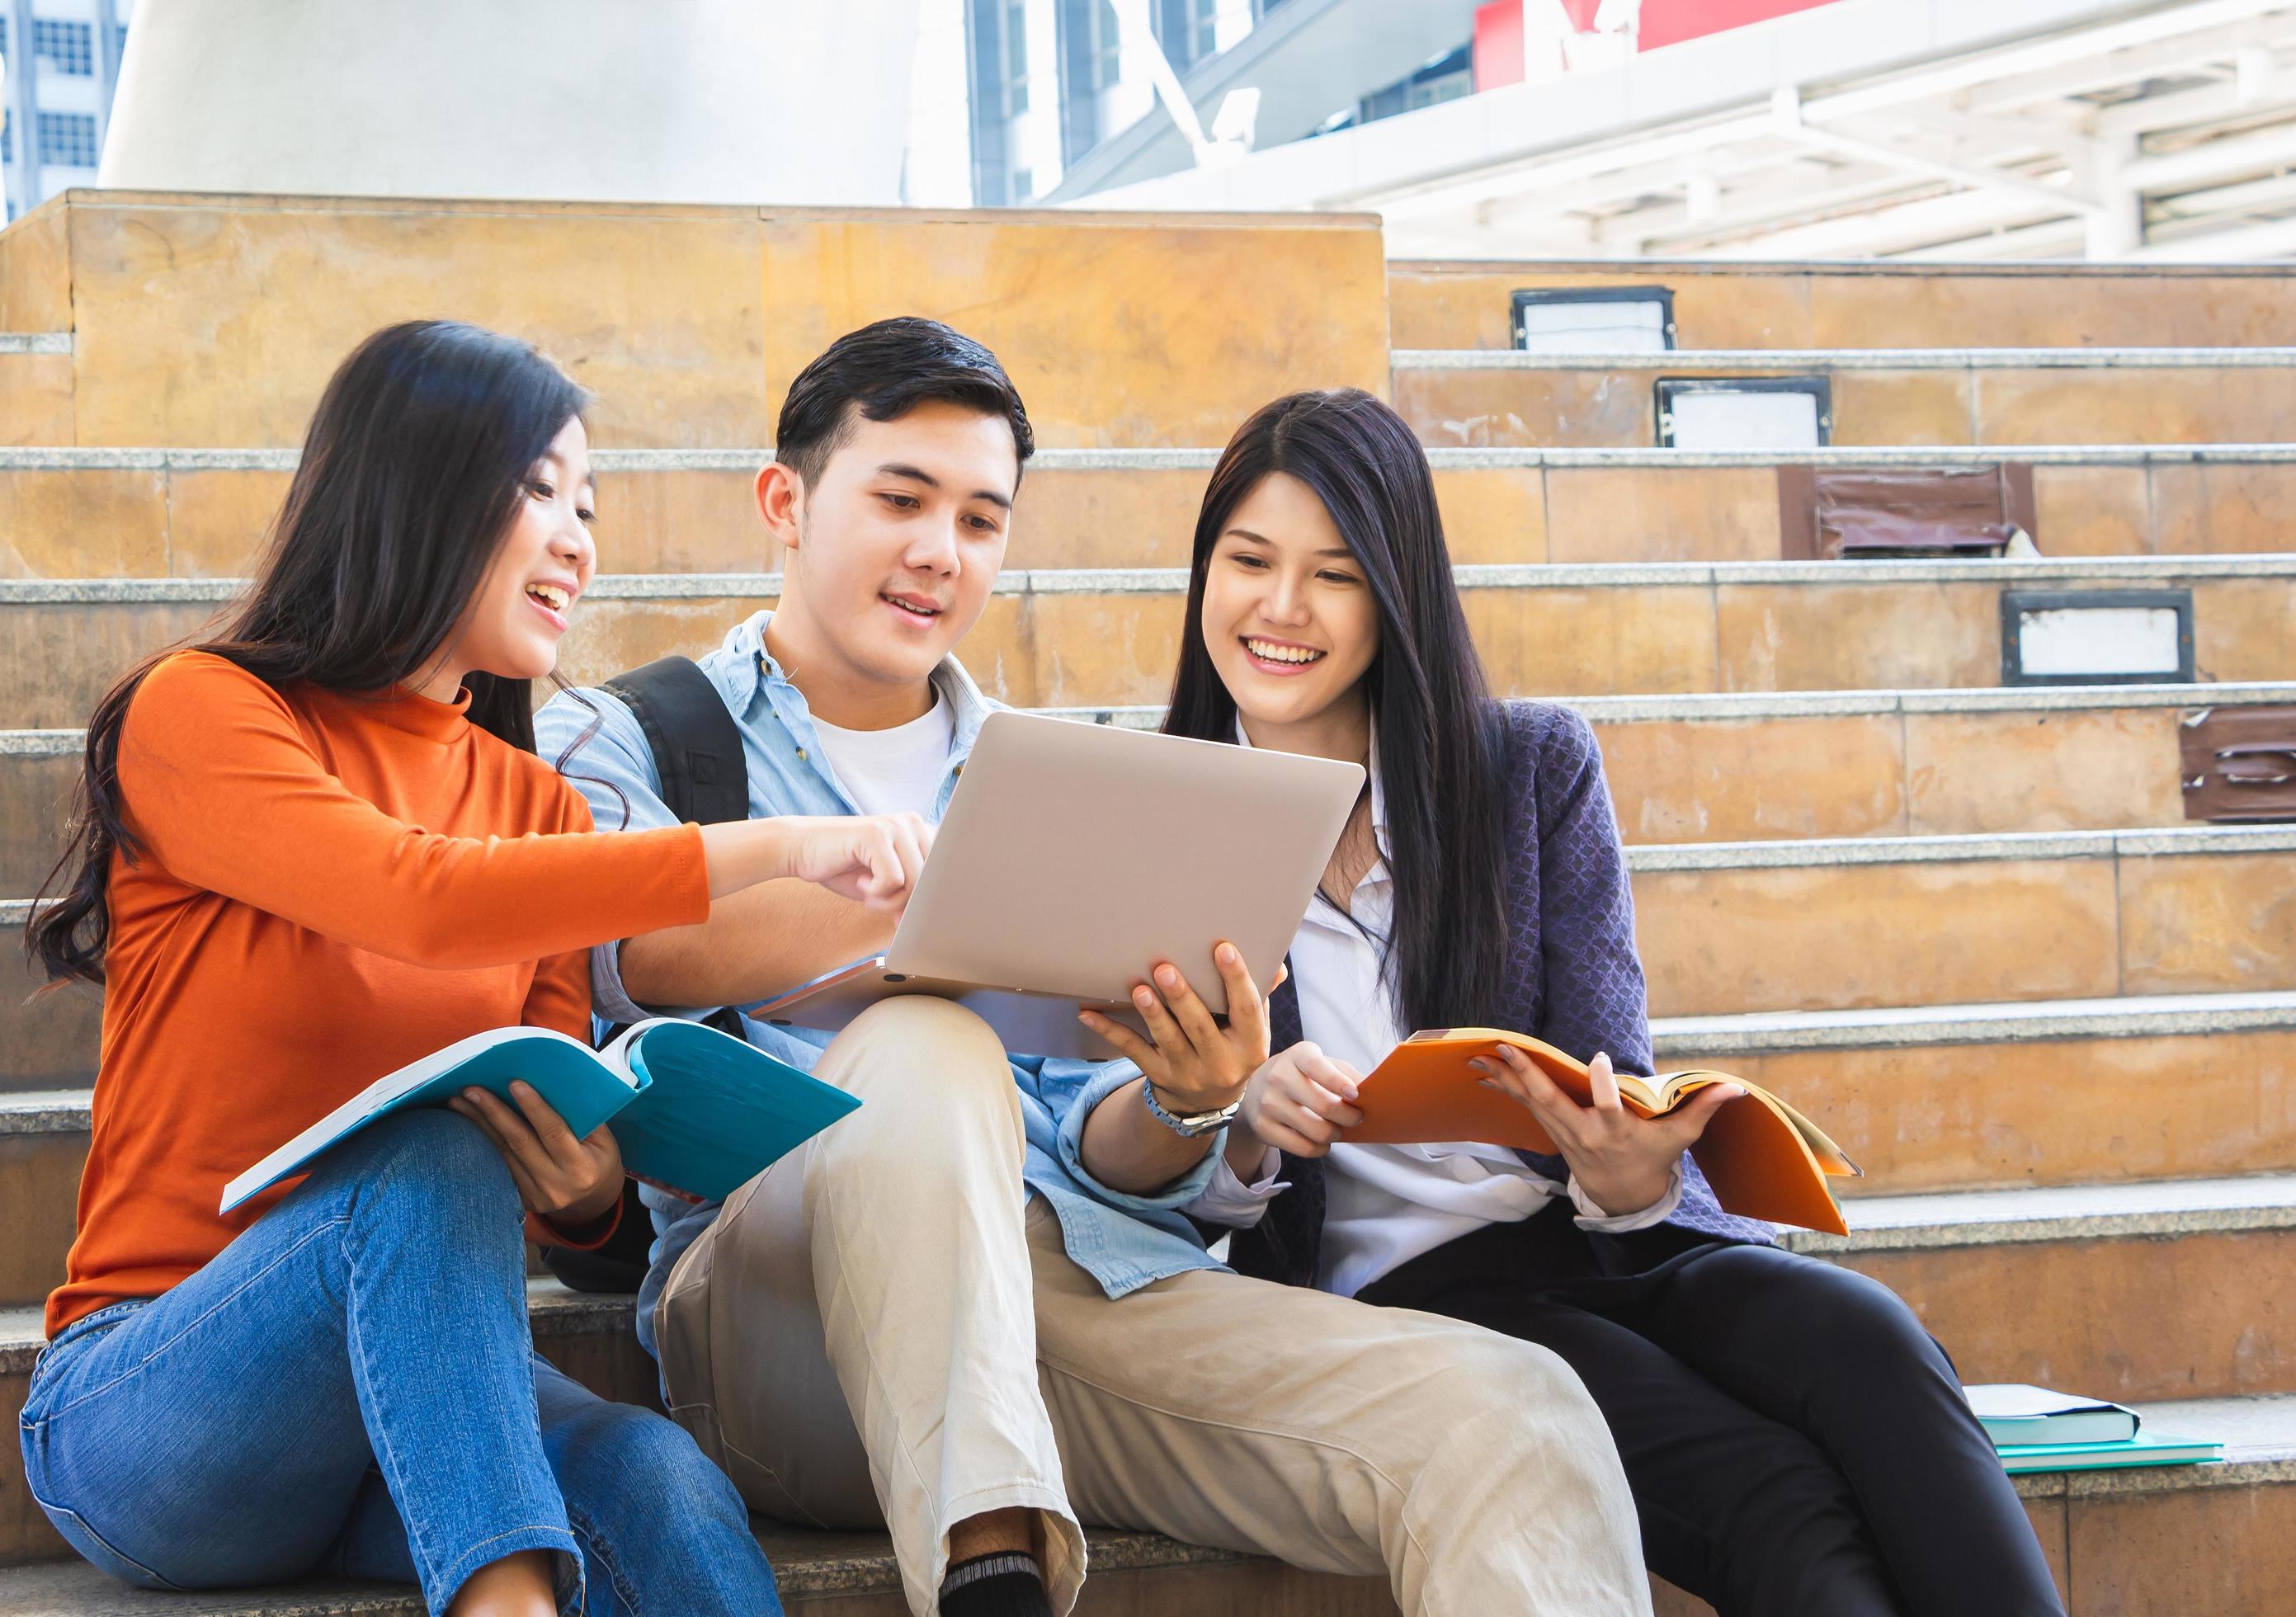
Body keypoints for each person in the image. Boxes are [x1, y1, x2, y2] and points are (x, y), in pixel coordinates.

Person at [538, 317, 1654, 1617]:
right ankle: (988, 1571)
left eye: (979, 519)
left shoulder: (1057, 773)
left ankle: (1002, 1522)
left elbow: (1101, 1140)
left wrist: (1189, 1097)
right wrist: (943, 919)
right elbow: (629, 949)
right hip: (788, 1326)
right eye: (901, 499)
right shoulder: (630, 733)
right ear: (786, 501)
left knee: (1515, 1413)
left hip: (1085, 1287)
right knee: (924, 1045)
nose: (936, 553)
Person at [19, 320, 934, 1617]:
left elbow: (561, 1149)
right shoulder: (205, 712)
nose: (578, 540)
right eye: (542, 492)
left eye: (591, 507)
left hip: (419, 1408)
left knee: (657, 1478)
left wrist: (588, 1180)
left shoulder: (539, 806)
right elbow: (417, 898)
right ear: (417, 489)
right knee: (427, 1156)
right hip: (157, 1410)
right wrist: (782, 847)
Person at [1153, 387, 2068, 1617]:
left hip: (1602, 1248)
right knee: (1772, 1492)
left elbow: (1614, 1074)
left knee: (1869, 1341)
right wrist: (1248, 1118)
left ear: (1398, 594)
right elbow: (1155, 1189)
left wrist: (1629, 1172)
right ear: (1204, 570)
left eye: (1335, 574)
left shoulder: (1528, 769)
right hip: (1408, 1302)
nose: (1281, 608)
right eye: (1249, 561)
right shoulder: (1163, 824)